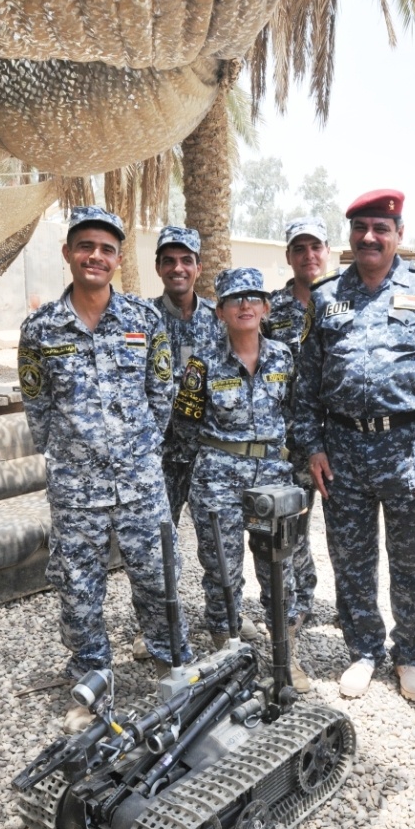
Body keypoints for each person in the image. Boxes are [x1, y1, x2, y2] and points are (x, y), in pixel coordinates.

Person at [18, 206, 191, 733]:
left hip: (141, 482)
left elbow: (163, 393)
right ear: (69, 252)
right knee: (77, 589)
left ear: (117, 260)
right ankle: (91, 685)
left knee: (159, 577)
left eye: (107, 249)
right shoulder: (41, 329)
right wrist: (73, 456)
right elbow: (37, 405)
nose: (96, 256)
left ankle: (170, 668)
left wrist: (136, 447)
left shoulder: (145, 321)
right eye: (86, 246)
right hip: (75, 487)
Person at [294, 189, 415, 700]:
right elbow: (305, 383)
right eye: (361, 227)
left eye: (381, 229)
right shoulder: (326, 297)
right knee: (350, 557)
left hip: (407, 447)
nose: (370, 237)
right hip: (342, 448)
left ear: (398, 235)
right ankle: (364, 649)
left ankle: (410, 653)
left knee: (412, 559)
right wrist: (312, 446)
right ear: (350, 235)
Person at [172, 267, 306, 685]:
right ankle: (228, 659)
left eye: (253, 297)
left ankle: (287, 656)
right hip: (217, 477)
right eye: (234, 299)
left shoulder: (284, 356)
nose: (244, 305)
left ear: (266, 307)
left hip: (271, 474)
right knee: (222, 570)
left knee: (279, 569)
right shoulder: (202, 363)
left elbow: (293, 414)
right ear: (220, 311)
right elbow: (185, 423)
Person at [262, 216, 332, 689]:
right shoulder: (272, 310)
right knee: (294, 528)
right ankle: (297, 601)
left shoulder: (345, 301)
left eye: (316, 247)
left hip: (349, 439)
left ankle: (355, 611)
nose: (308, 255)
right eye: (299, 248)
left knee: (351, 536)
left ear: (328, 251)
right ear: (289, 256)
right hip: (291, 443)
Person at [152, 225, 219, 526]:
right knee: (159, 545)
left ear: (198, 267)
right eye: (169, 260)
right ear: (158, 268)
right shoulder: (143, 319)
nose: (177, 268)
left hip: (209, 453)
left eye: (186, 260)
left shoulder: (220, 319)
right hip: (160, 457)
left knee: (217, 542)